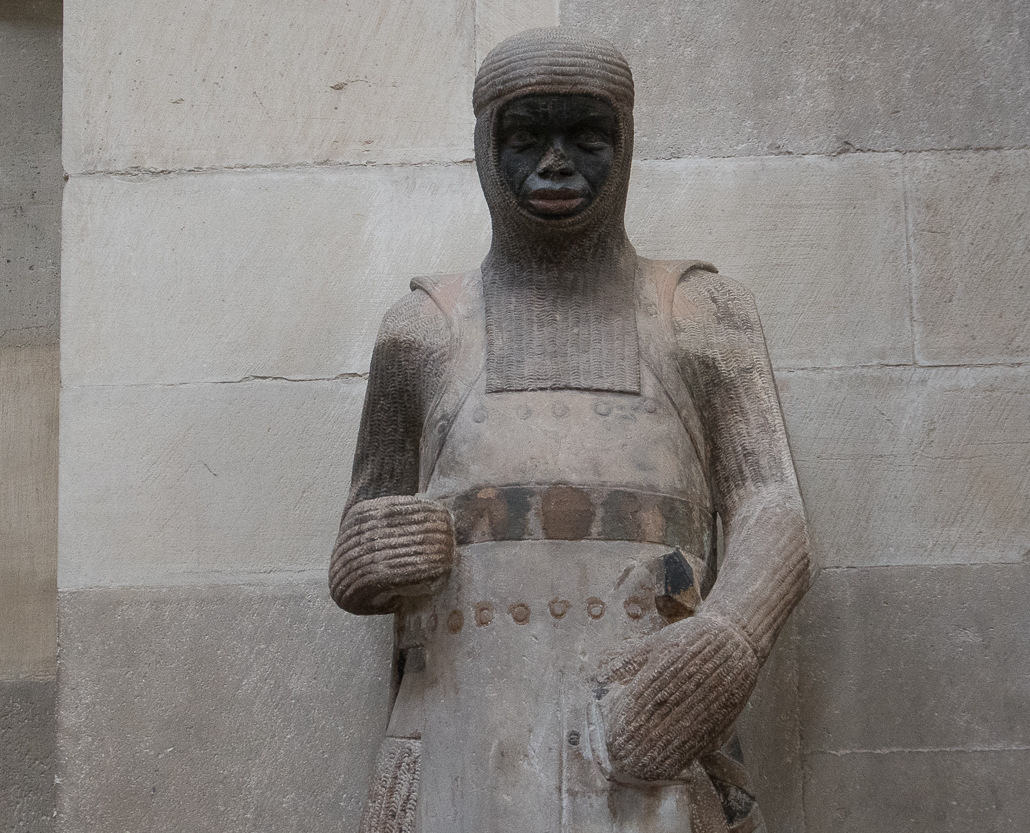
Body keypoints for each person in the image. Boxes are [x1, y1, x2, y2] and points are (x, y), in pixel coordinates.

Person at [329, 27, 811, 833]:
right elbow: (360, 525)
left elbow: (773, 503)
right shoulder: (421, 330)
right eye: (526, 138)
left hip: (642, 725)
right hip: (460, 739)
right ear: (487, 147)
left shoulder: (701, 312)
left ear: (625, 143)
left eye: (585, 138)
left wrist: (731, 636)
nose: (554, 164)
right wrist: (369, 552)